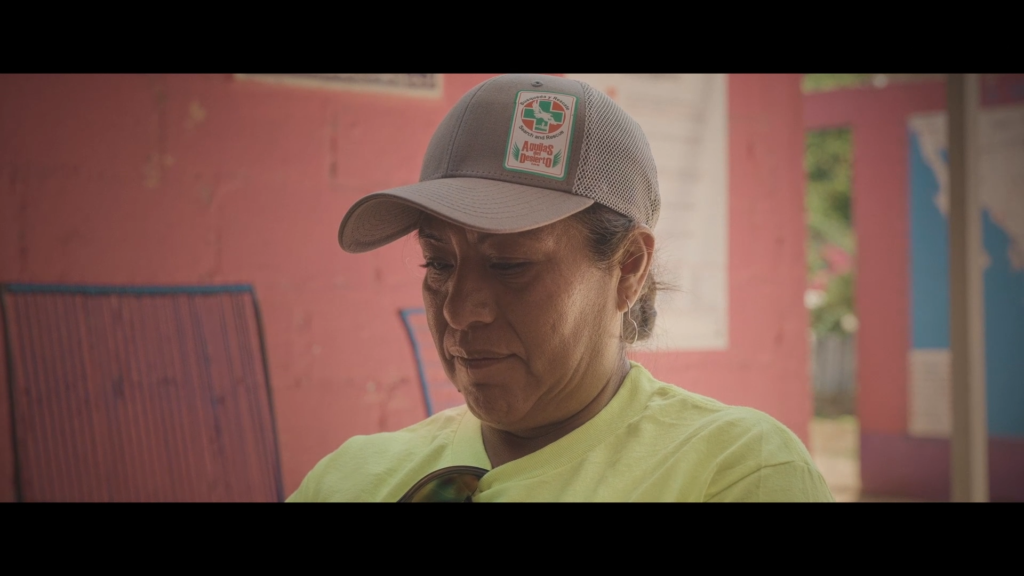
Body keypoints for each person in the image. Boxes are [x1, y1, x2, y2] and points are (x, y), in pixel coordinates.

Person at [287, 74, 834, 502]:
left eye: (508, 264)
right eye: (438, 263)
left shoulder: (735, 470)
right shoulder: (349, 478)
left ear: (628, 269)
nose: (458, 311)